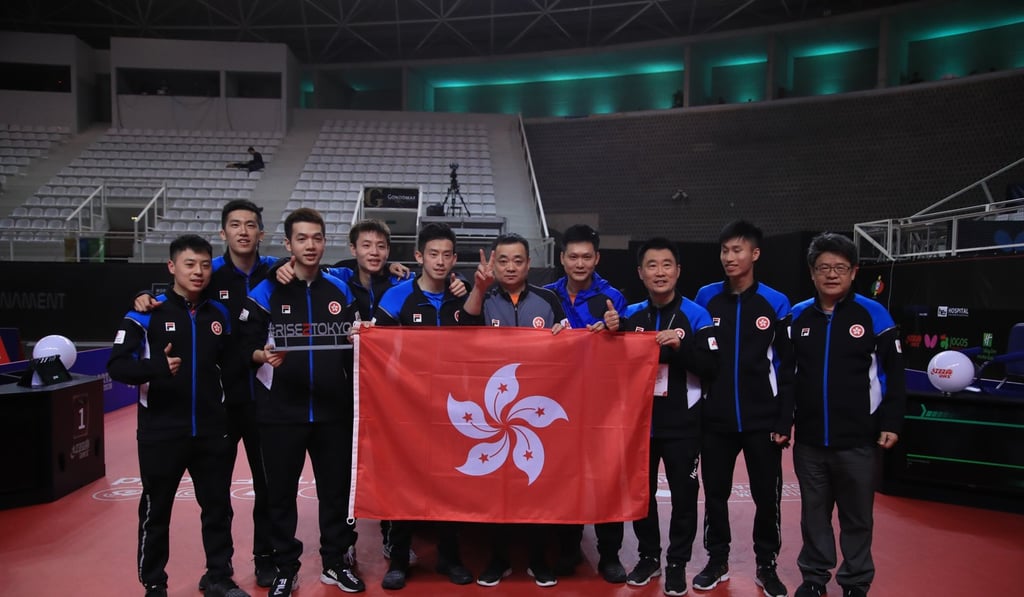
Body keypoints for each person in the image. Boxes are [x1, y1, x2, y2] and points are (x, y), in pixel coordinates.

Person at [134, 199, 278, 589]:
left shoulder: (276, 271)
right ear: (224, 233)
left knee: (267, 486)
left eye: (251, 224)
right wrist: (147, 300)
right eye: (235, 224)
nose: (243, 231)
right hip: (220, 406)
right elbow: (174, 295)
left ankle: (265, 558)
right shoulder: (209, 273)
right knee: (217, 496)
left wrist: (393, 269)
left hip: (266, 398)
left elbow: (324, 267)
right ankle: (215, 572)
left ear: (261, 233)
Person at [108, 234, 250, 597]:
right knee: (157, 514)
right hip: (161, 431)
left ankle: (218, 576)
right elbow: (118, 366)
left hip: (211, 430)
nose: (198, 272)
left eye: (204, 264)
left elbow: (232, 366)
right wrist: (155, 367)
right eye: (189, 264)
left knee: (218, 509)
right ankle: (154, 583)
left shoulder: (218, 314)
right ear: (172, 267)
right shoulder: (145, 313)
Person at [238, 208, 365, 597]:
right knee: (279, 493)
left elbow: (358, 350)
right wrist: (262, 356)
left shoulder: (340, 291)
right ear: (289, 244)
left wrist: (360, 338)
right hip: (280, 412)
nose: (311, 245)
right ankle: (284, 568)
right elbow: (241, 346)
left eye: (317, 238)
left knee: (336, 491)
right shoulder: (267, 290)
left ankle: (334, 562)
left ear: (325, 242)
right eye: (302, 238)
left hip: (332, 412)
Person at [372, 222, 489, 591]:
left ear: (455, 259)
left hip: (455, 410)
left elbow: (480, 337)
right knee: (405, 482)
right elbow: (377, 348)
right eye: (433, 254)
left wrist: (476, 290)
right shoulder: (396, 297)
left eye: (447, 255)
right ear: (419, 256)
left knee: (449, 483)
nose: (440, 261)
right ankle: (399, 558)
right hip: (407, 408)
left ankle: (449, 558)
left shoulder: (464, 295)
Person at [789, 233, 905, 597]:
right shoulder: (797, 316)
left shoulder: (874, 315)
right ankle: (814, 578)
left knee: (857, 518)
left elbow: (894, 376)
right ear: (812, 273)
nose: (832, 274)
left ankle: (855, 581)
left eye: (840, 267)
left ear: (854, 272)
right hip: (809, 441)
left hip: (858, 440)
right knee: (814, 516)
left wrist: (890, 423)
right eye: (824, 267)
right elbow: (785, 374)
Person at [603, 237, 719, 597]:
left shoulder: (697, 315)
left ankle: (677, 562)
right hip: (639, 426)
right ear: (640, 273)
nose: (660, 272)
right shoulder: (632, 316)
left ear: (678, 270)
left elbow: (711, 366)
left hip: (683, 425)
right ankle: (649, 556)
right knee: (641, 495)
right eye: (651, 265)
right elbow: (609, 362)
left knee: (685, 494)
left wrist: (680, 348)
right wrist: (607, 329)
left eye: (667, 264)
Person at [692, 220, 793, 597]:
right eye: (724, 251)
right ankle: (716, 560)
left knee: (767, 496)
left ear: (755, 254)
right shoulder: (705, 298)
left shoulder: (776, 302)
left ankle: (766, 566)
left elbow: (786, 366)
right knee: (714, 493)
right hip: (714, 419)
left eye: (738, 250)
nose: (730, 258)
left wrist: (784, 417)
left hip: (761, 420)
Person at [460, 232, 567, 588]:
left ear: (528, 264)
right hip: (493, 412)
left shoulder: (548, 298)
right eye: (502, 260)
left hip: (537, 411)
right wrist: (478, 286)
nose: (510, 267)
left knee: (536, 483)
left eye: (517, 260)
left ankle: (539, 559)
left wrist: (563, 332)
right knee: (498, 487)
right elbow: (463, 330)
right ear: (493, 262)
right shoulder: (484, 297)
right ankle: (499, 559)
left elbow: (569, 343)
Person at [542, 224, 629, 582]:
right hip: (559, 402)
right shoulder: (546, 296)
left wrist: (616, 328)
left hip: (603, 404)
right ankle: (568, 548)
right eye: (573, 256)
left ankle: (609, 554)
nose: (580, 263)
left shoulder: (613, 298)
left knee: (607, 477)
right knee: (566, 475)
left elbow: (627, 347)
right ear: (562, 258)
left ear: (597, 258)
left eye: (586, 257)